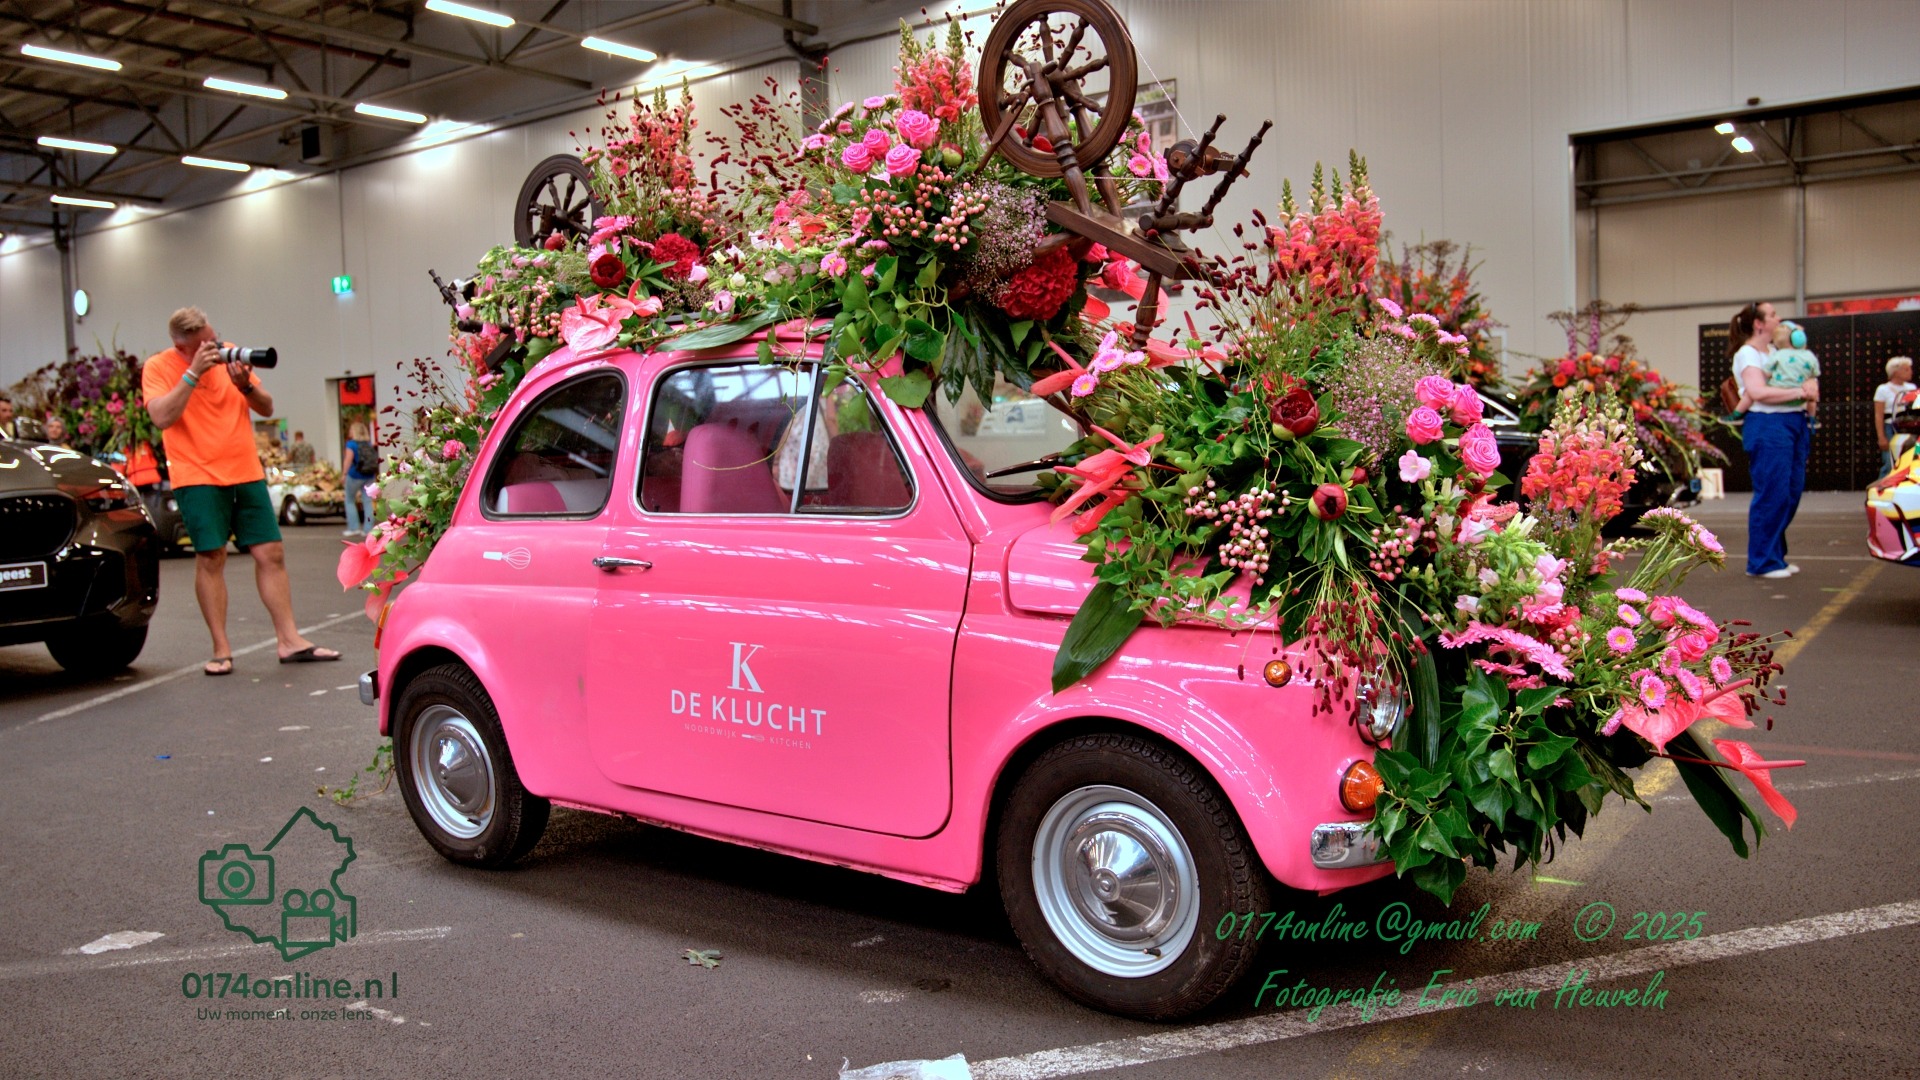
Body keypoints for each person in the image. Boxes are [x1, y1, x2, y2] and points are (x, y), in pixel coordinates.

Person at [143, 307, 341, 675]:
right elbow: (161, 417)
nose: (215, 348)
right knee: (211, 557)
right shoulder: (158, 367)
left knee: (272, 552)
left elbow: (266, 408)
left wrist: (245, 385)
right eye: (205, 345)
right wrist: (193, 374)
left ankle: (289, 640)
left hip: (245, 470)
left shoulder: (229, 353)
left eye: (215, 339)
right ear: (182, 346)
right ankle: (221, 649)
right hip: (197, 474)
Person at [1729, 301, 1814, 580]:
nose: (1780, 318)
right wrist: (1800, 392)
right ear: (1759, 323)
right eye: (1774, 314)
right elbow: (1757, 390)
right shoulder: (1748, 354)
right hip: (1768, 425)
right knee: (1772, 494)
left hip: (1794, 422)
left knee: (1790, 492)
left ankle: (1775, 556)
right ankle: (1761, 561)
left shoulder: (1778, 351)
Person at [1873, 355, 1915, 474]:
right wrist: (1881, 437)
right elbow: (1878, 415)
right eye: (1906, 369)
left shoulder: (1911, 388)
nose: (1910, 372)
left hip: (1908, 428)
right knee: (1889, 463)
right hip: (1890, 428)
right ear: (1895, 372)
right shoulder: (1883, 389)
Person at [342, 422, 376, 537]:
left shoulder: (351, 444)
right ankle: (368, 529)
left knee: (350, 500)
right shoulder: (368, 443)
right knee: (368, 502)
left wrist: (344, 474)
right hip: (369, 475)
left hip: (355, 475)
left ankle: (354, 527)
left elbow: (348, 460)